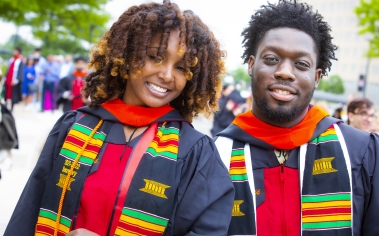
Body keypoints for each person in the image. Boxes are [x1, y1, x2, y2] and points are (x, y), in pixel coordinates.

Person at [5, 1, 234, 235]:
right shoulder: (74, 127)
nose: (166, 75)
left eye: (181, 68)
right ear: (127, 57)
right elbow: (28, 214)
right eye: (155, 57)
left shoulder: (194, 152)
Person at [214, 1, 379, 235]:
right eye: (271, 59)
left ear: (317, 77)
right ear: (251, 64)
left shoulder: (360, 154)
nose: (285, 72)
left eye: (301, 64)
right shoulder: (215, 156)